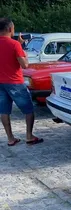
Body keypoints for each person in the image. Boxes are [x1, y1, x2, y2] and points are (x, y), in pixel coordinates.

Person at [0, 17, 43, 146]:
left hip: (0, 83)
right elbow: (24, 65)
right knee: (28, 109)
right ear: (10, 29)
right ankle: (29, 136)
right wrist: (22, 49)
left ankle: (10, 138)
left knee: (4, 111)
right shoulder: (14, 44)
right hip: (15, 82)